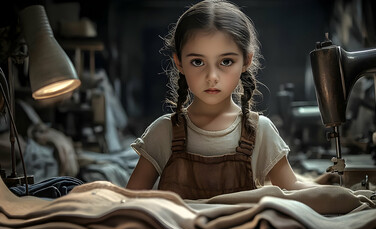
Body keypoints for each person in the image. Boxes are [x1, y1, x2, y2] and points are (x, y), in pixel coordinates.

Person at [126, 0, 318, 199]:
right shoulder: (163, 131)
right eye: (197, 62)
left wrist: (344, 194)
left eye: (226, 61)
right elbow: (129, 200)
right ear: (179, 63)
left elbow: (291, 186)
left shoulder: (260, 131)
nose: (212, 76)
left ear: (246, 61)